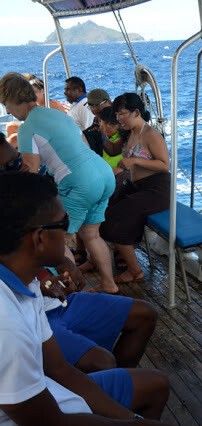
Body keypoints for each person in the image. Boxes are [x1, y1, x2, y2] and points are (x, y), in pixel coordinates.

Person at [0, 170, 202, 426]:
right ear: (38, 239)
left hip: (50, 404)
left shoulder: (23, 282)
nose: (69, 230)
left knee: (154, 384)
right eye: (63, 222)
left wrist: (133, 423)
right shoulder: (5, 322)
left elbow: (61, 370)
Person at [0, 72, 118, 294]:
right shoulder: (60, 114)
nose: (7, 111)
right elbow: (84, 144)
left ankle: (73, 295)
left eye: (6, 104)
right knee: (92, 234)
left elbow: (32, 175)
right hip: (103, 174)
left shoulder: (27, 129)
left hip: (80, 182)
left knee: (59, 238)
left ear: (14, 100)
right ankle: (109, 284)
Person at [100, 93, 170, 283]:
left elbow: (164, 165)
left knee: (115, 218)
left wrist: (134, 160)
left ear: (136, 112)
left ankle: (135, 271)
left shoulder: (151, 135)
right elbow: (113, 150)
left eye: (122, 114)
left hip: (156, 190)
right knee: (104, 211)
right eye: (117, 114)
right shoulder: (128, 133)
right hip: (135, 186)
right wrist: (98, 134)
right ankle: (120, 258)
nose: (118, 118)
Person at [41, 268, 158, 372]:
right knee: (103, 363)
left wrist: (69, 265)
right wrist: (41, 286)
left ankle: (118, 385)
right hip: (34, 316)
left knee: (145, 314)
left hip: (61, 300)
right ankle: (108, 388)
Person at [83, 88, 112, 156]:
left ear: (109, 102)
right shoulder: (94, 125)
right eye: (90, 106)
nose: (94, 109)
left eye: (96, 105)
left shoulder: (121, 122)